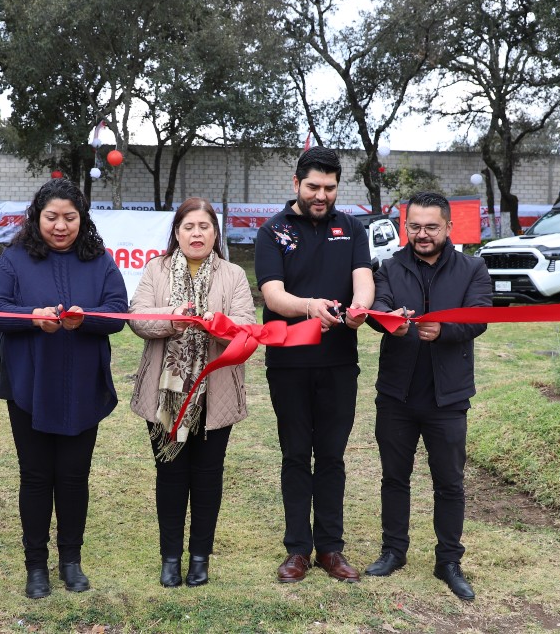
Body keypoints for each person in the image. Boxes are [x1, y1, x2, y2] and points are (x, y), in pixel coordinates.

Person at [0, 179, 127, 600]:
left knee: (73, 477)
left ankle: (71, 561)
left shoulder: (99, 260)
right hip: (29, 383)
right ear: (36, 218)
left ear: (82, 220)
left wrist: (87, 318)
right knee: (35, 476)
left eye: (69, 217)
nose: (60, 226)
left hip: (82, 384)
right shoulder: (14, 258)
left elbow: (117, 313)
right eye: (52, 217)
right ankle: (35, 566)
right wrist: (31, 317)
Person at [253, 146, 373, 584]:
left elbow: (364, 281)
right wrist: (308, 307)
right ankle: (297, 550)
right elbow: (272, 294)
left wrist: (361, 308)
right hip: (288, 362)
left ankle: (331, 548)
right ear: (296, 185)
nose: (321, 195)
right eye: (313, 187)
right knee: (295, 455)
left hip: (340, 362)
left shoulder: (353, 229)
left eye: (330, 188)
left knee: (333, 457)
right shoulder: (273, 232)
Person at [366, 191, 491, 602]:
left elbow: (479, 316)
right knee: (394, 478)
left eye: (431, 227)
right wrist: (389, 322)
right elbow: (377, 307)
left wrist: (446, 330)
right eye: (414, 226)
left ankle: (449, 561)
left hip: (448, 397)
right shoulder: (387, 266)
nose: (422, 234)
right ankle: (393, 551)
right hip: (396, 395)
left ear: (449, 227)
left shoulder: (473, 268)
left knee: (450, 483)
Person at [128, 197, 256, 589]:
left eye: (204, 226)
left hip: (215, 393)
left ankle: (199, 558)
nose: (196, 233)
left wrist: (215, 324)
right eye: (189, 227)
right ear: (177, 232)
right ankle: (170, 559)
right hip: (165, 394)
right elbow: (138, 316)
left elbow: (246, 323)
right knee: (169, 476)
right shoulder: (157, 269)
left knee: (207, 477)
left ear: (215, 233)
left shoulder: (232, 274)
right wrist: (173, 321)